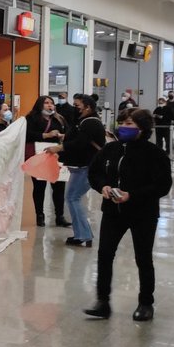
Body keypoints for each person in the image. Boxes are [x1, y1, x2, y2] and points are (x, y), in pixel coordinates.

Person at [85, 108, 173, 322]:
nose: (124, 127)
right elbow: (94, 173)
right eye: (122, 122)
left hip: (143, 213)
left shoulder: (154, 154)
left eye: (130, 124)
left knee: (143, 257)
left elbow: (162, 185)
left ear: (142, 129)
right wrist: (103, 187)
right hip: (113, 212)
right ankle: (102, 301)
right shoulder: (110, 149)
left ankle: (145, 303)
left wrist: (131, 195)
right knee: (105, 254)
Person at [45, 94, 106, 248]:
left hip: (85, 166)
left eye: (77, 105)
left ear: (88, 107)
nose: (74, 108)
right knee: (73, 198)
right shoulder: (85, 121)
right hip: (82, 166)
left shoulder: (90, 122)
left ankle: (83, 235)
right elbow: (79, 137)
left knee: (73, 198)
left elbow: (81, 142)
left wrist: (58, 147)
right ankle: (82, 234)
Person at [25, 95, 68, 228]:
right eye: (46, 103)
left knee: (59, 186)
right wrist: (46, 135)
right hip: (39, 154)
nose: (50, 105)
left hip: (57, 155)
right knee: (39, 187)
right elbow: (27, 135)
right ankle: (40, 215)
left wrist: (62, 136)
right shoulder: (31, 118)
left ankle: (59, 216)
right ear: (39, 104)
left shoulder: (59, 119)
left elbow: (68, 133)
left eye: (52, 103)